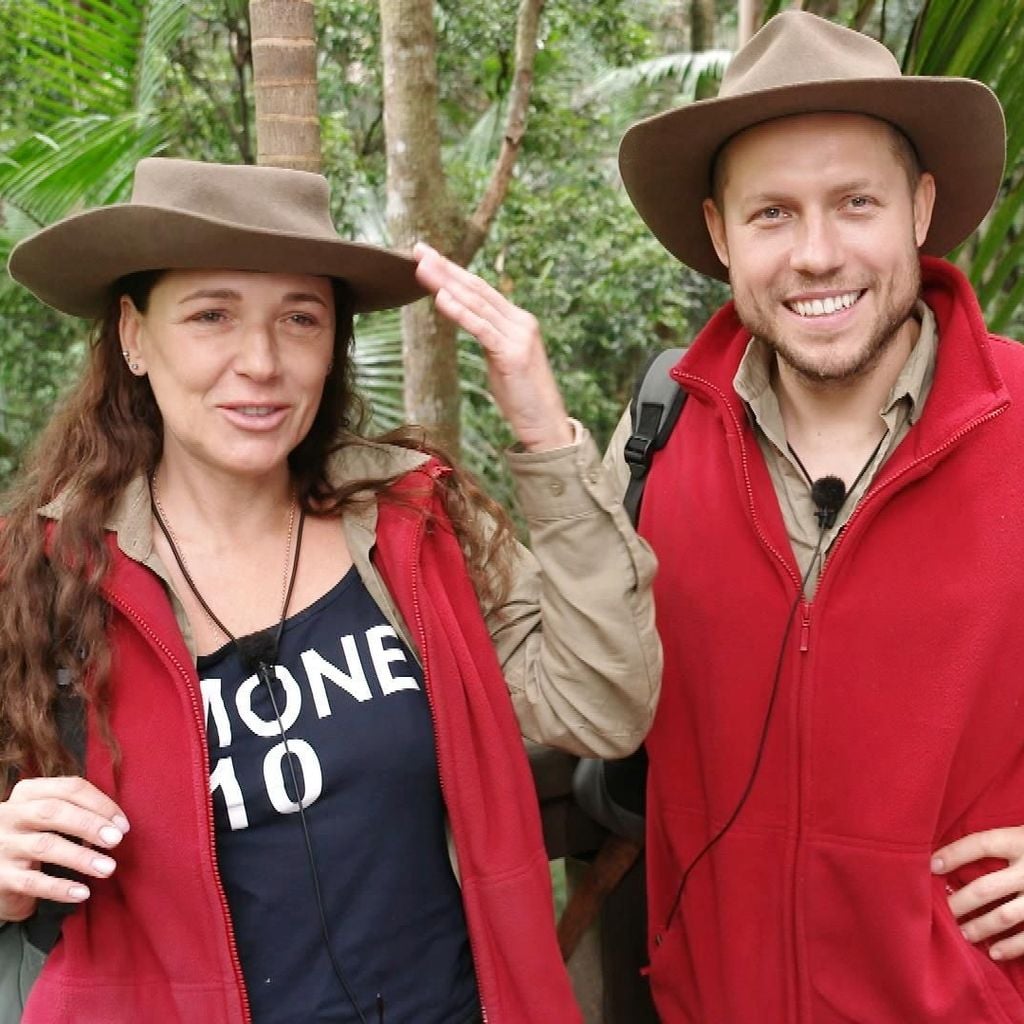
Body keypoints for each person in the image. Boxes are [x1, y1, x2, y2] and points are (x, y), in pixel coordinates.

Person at [417, 10, 1024, 1023]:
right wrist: (541, 441)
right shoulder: (658, 431)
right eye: (772, 214)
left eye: (855, 203)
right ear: (718, 233)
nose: (817, 253)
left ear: (920, 208)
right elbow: (583, 690)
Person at [0, 157, 661, 1023]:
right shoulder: (43, 578)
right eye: (212, 315)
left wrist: (543, 434)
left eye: (300, 319)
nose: (262, 361)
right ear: (133, 334)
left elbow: (604, 705)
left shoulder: (417, 526)